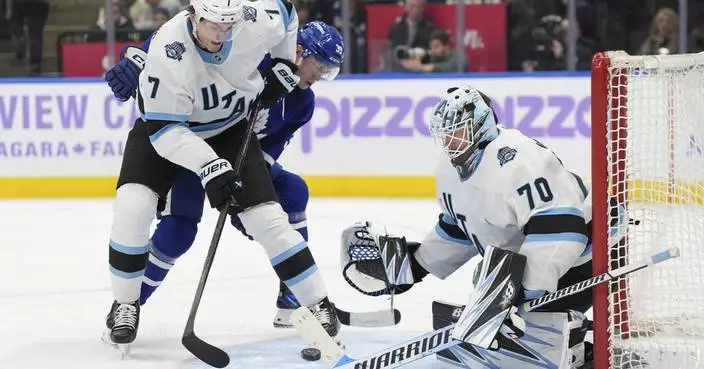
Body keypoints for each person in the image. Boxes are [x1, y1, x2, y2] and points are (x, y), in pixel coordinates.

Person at [103, 0, 341, 353]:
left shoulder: (253, 22)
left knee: (268, 218)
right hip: (168, 132)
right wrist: (209, 166)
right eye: (214, 25)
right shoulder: (171, 49)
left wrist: (282, 61)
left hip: (230, 131)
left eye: (228, 25)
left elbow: (287, 13)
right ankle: (126, 303)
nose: (221, 34)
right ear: (193, 16)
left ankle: (318, 304)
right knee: (133, 206)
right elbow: (167, 131)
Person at [338, 86, 628, 368]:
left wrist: (521, 293)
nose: (451, 142)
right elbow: (462, 226)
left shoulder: (519, 160)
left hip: (594, 250)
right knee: (491, 281)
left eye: (458, 133)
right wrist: (417, 265)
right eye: (445, 135)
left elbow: (561, 231)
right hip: (554, 251)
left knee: (513, 314)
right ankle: (553, 330)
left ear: (481, 127)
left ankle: (578, 350)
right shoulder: (449, 169)